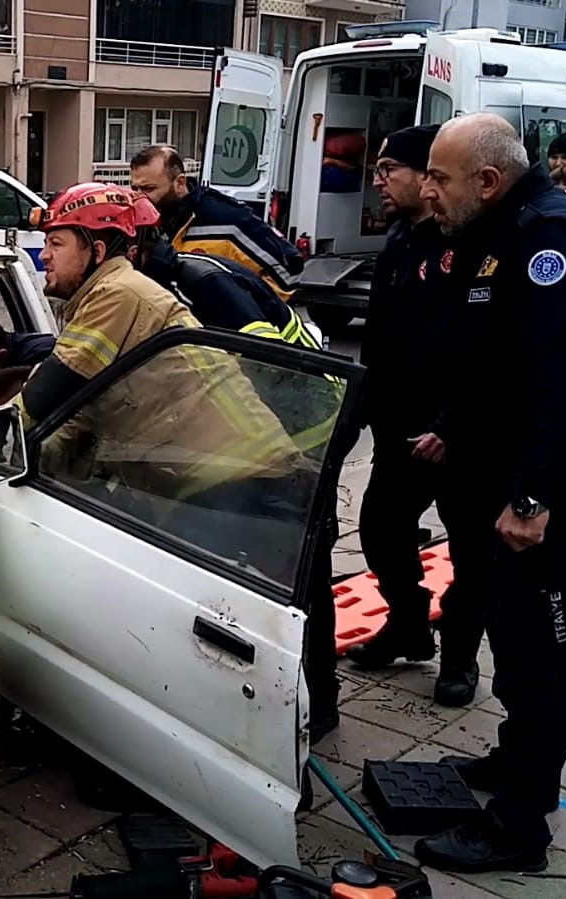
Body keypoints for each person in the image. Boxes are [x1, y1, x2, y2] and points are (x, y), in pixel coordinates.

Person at [413, 114, 566, 874]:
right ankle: (516, 761)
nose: (429, 188)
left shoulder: (547, 238)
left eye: (439, 176)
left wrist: (531, 498)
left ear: (485, 180)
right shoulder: (499, 227)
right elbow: (488, 358)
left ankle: (519, 826)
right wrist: (452, 428)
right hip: (527, 470)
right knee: (510, 623)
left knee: (538, 650)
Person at [0, 182, 306, 577]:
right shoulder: (97, 301)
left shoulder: (119, 292)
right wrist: (28, 459)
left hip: (244, 479)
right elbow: (79, 413)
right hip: (207, 482)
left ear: (95, 252)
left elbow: (48, 393)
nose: (43, 256)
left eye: (56, 244)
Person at [126, 187, 342, 739]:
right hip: (265, 434)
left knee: (302, 573)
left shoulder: (202, 282)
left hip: (302, 425)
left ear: (130, 250)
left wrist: (256, 449)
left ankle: (316, 710)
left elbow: (268, 358)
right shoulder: (157, 281)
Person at [340, 125, 484, 708]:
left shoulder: (468, 244)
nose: (377, 180)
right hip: (399, 425)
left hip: (458, 432)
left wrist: (454, 424)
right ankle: (408, 623)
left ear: (427, 178)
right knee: (379, 527)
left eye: (387, 168)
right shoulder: (400, 239)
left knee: (473, 549)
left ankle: (460, 655)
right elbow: (381, 337)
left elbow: (483, 348)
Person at [128, 145, 304, 303]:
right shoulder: (145, 223)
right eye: (134, 188)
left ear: (180, 183)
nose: (138, 197)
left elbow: (288, 271)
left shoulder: (226, 218)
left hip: (227, 333)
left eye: (148, 189)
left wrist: (243, 310)